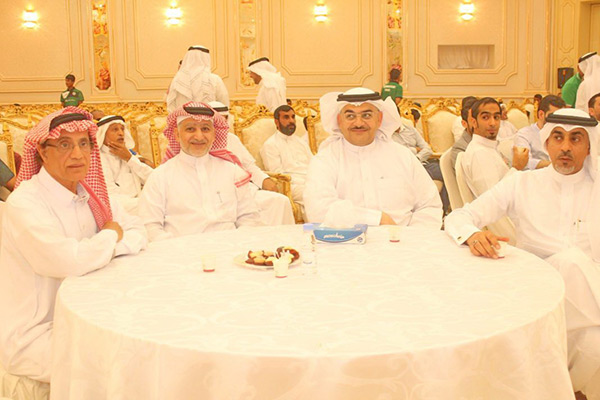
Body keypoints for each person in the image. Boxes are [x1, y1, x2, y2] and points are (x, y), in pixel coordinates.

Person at [444, 108, 600, 399]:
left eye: (576, 139)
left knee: (593, 340)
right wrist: (473, 234)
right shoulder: (523, 183)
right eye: (558, 137)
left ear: (589, 146)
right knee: (572, 262)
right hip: (536, 291)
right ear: (547, 143)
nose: (566, 147)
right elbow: (459, 216)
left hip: (589, 289)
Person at [0, 107, 147, 382]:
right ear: (42, 152)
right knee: (126, 364)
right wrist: (110, 236)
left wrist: (104, 248)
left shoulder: (92, 192)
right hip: (39, 333)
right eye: (65, 145)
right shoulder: (26, 203)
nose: (78, 154)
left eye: (84, 144)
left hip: (94, 316)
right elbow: (67, 261)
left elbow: (138, 231)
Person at [303, 87, 442, 228]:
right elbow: (319, 210)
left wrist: (411, 236)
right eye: (350, 116)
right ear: (340, 121)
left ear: (379, 119)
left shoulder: (403, 156)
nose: (358, 123)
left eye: (366, 115)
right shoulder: (325, 160)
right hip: (346, 241)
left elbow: (429, 205)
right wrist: (378, 219)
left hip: (403, 239)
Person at [138, 102, 261, 241]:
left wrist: (238, 244)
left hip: (231, 248)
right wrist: (176, 249)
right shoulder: (160, 176)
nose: (199, 136)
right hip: (180, 250)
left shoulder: (233, 172)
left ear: (214, 135)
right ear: (177, 135)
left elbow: (249, 218)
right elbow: (149, 226)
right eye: (190, 129)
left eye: (205, 129)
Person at [208, 101, 294, 225]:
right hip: (218, 193)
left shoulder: (232, 139)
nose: (222, 124)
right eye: (218, 120)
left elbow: (248, 165)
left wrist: (264, 179)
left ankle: (279, 238)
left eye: (225, 119)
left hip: (243, 189)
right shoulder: (202, 142)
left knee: (280, 201)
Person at [460, 97, 528, 198]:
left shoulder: (489, 147)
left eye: (496, 117)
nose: (492, 123)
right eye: (485, 117)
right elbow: (491, 199)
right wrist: (516, 167)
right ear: (474, 122)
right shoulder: (478, 153)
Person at [260, 105, 312, 214]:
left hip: (310, 181)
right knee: (315, 194)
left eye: (293, 117)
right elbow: (277, 176)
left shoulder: (301, 142)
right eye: (286, 117)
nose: (291, 121)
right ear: (276, 122)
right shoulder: (270, 145)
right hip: (291, 185)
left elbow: (314, 165)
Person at [96, 115, 154, 213]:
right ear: (103, 134)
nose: (120, 133)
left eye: (122, 129)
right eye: (115, 129)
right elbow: (111, 195)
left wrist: (129, 158)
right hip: (117, 208)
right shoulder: (98, 159)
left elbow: (154, 179)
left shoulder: (130, 155)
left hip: (139, 205)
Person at [392, 121, 449, 214]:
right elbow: (397, 154)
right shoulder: (386, 135)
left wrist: (417, 157)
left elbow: (427, 149)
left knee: (445, 171)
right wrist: (415, 149)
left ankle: (444, 210)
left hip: (422, 162)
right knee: (424, 177)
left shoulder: (411, 130)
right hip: (406, 167)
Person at [166, 46, 229, 112]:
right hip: (208, 118)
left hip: (182, 118)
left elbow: (171, 106)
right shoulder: (215, 79)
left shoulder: (177, 80)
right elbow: (224, 104)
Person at [514, 95, 566, 170]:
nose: (558, 121)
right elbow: (524, 163)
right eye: (554, 117)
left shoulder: (565, 134)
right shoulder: (524, 134)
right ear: (541, 114)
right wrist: (554, 165)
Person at [449, 96, 478, 174]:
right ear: (464, 124)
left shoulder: (488, 139)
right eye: (474, 121)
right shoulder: (460, 149)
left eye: (483, 118)